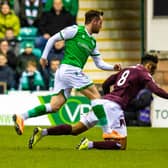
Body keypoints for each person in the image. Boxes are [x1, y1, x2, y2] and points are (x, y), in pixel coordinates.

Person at [12, 10, 121, 136]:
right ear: (94, 21)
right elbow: (53, 38)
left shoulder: (92, 42)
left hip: (65, 72)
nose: (101, 26)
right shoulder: (75, 30)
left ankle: (22, 117)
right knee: (96, 97)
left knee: (54, 106)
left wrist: (114, 67)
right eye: (100, 23)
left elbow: (99, 64)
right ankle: (107, 132)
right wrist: (43, 57)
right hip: (70, 70)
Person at [28, 54, 168, 150]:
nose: (154, 71)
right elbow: (155, 89)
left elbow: (107, 83)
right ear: (149, 65)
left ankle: (43, 132)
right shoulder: (144, 73)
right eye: (154, 68)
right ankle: (88, 144)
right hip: (114, 107)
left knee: (76, 129)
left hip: (103, 103)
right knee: (121, 145)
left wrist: (106, 98)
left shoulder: (127, 69)